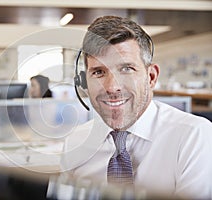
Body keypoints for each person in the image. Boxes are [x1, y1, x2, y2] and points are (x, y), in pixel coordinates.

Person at [60, 15, 212, 199]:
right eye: (99, 72)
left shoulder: (193, 136)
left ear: (151, 77)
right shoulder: (75, 143)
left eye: (126, 69)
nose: (112, 87)